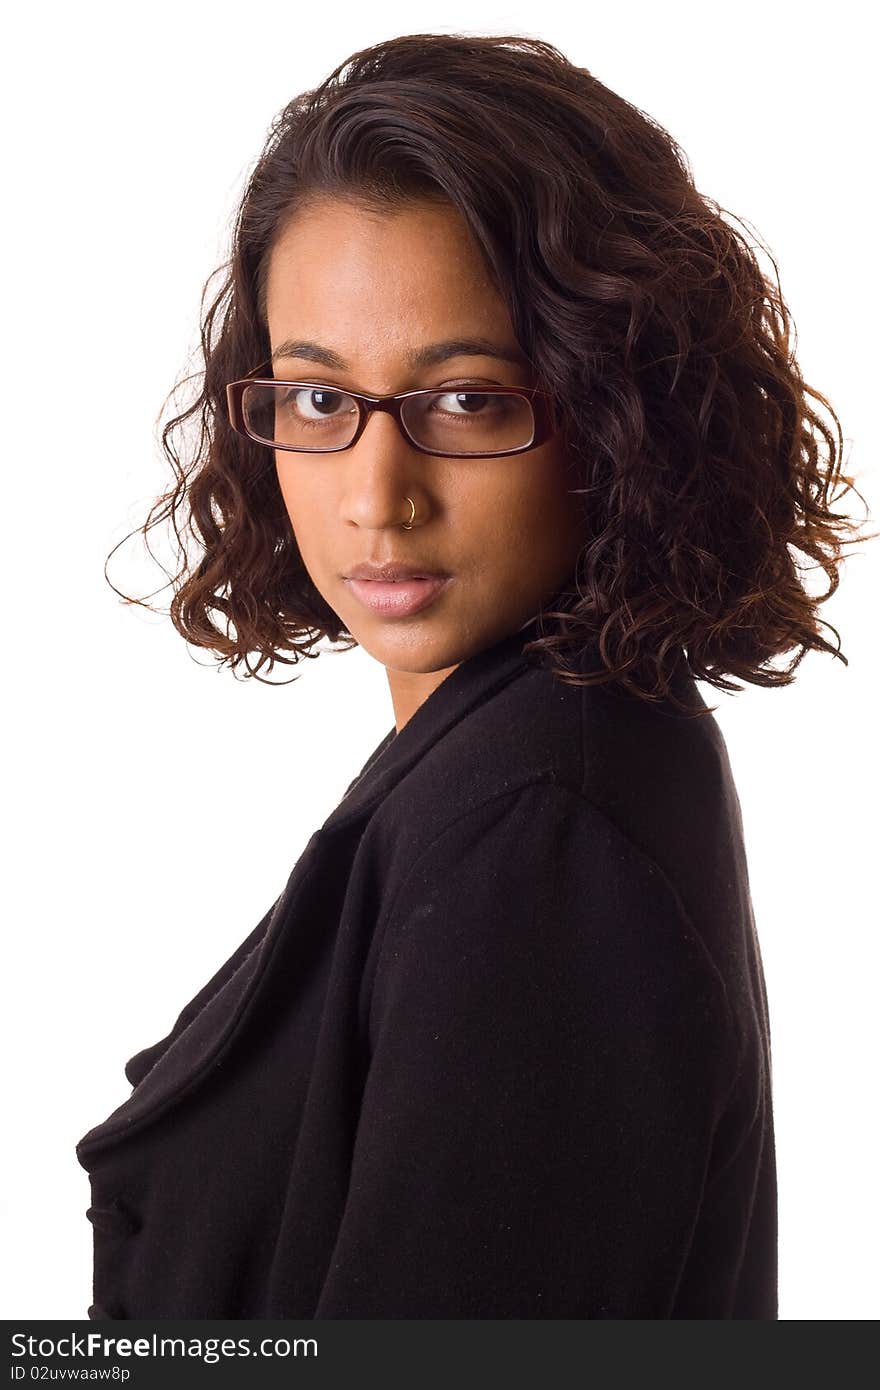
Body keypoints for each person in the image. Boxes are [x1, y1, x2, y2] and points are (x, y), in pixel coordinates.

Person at [77, 32, 867, 1320]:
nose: (378, 499)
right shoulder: (526, 755)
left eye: (467, 399)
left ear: (620, 408)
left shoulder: (541, 825)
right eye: (321, 402)